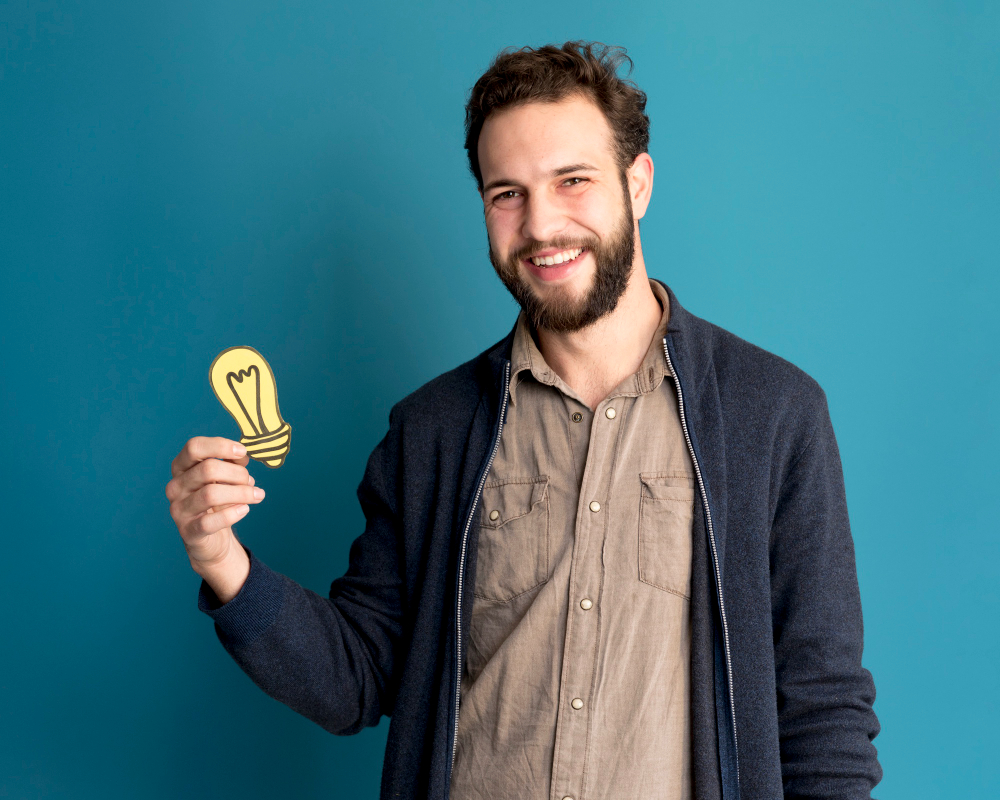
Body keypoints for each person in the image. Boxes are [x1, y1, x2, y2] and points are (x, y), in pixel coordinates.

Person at [166, 41, 881, 800]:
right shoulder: (430, 432)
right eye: (507, 193)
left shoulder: (772, 412)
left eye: (572, 181)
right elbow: (359, 678)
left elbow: (822, 711)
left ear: (637, 184)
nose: (541, 226)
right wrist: (224, 563)